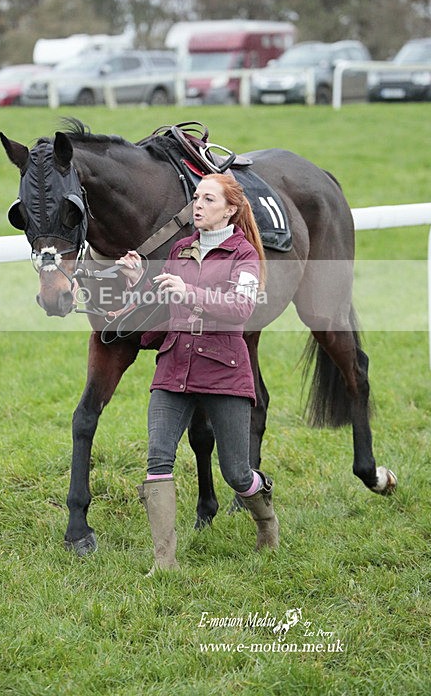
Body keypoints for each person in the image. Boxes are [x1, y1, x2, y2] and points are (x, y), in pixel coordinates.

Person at [117, 173, 279, 572]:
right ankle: (164, 563)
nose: (198, 205)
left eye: (209, 199)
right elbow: (161, 305)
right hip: (174, 370)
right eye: (195, 197)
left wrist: (188, 293)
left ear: (230, 209)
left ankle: (266, 520)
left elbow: (241, 309)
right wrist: (138, 283)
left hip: (224, 372)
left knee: (237, 474)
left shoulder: (244, 256)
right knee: (158, 460)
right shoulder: (180, 249)